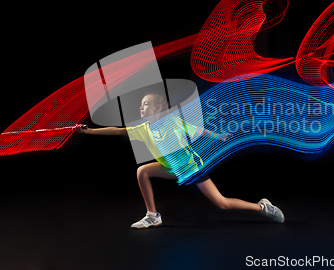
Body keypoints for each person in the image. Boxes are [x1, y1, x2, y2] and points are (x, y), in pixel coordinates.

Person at [76, 92, 284, 229]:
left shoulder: (172, 121)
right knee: (142, 171)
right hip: (171, 168)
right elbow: (117, 131)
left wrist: (217, 136)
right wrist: (91, 131)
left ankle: (263, 207)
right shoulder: (142, 129)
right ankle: (153, 215)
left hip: (191, 168)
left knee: (222, 204)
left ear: (158, 109)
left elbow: (199, 130)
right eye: (141, 105)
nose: (141, 108)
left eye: (146, 104)